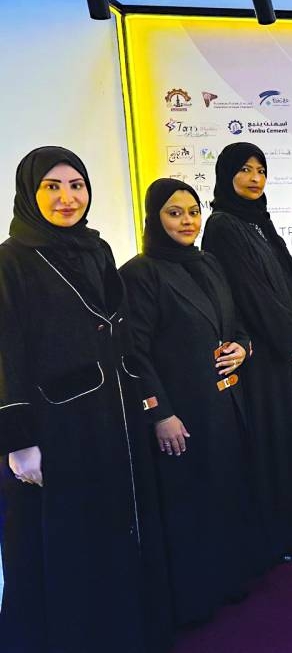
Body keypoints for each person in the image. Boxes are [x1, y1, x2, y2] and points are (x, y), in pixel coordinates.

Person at [0, 146, 171, 652]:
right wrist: (19, 441)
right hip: (53, 425)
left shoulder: (96, 249)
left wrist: (145, 402)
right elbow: (5, 352)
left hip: (108, 418)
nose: (67, 198)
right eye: (52, 187)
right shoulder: (11, 261)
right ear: (30, 193)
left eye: (76, 186)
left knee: (108, 529)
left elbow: (118, 331)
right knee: (62, 540)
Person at [120, 178, 260, 625]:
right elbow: (133, 353)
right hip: (182, 411)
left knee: (226, 491)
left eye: (193, 211)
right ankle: (195, 599)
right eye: (174, 212)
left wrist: (243, 347)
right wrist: (160, 413)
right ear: (154, 217)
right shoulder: (140, 273)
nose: (187, 221)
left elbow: (234, 323)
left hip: (224, 404)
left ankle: (230, 578)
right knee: (189, 503)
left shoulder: (209, 262)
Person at [202, 142, 292, 560]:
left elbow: (289, 280)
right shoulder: (222, 225)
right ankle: (279, 535)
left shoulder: (258, 220)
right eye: (245, 169)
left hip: (284, 345)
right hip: (260, 352)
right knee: (272, 441)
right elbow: (249, 293)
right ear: (226, 174)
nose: (255, 178)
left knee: (291, 434)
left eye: (260, 170)